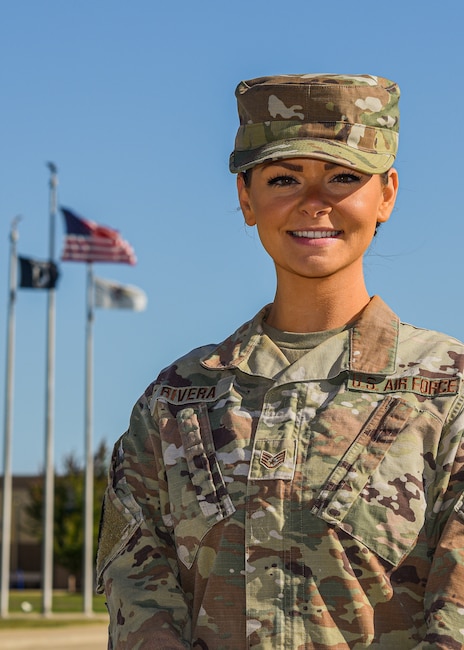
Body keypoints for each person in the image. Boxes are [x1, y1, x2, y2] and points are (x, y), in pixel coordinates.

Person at [96, 74, 464, 649]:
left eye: (343, 177)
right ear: (246, 198)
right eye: (284, 179)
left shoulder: (447, 392)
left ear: (386, 194)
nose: (314, 203)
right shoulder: (177, 401)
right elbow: (139, 599)